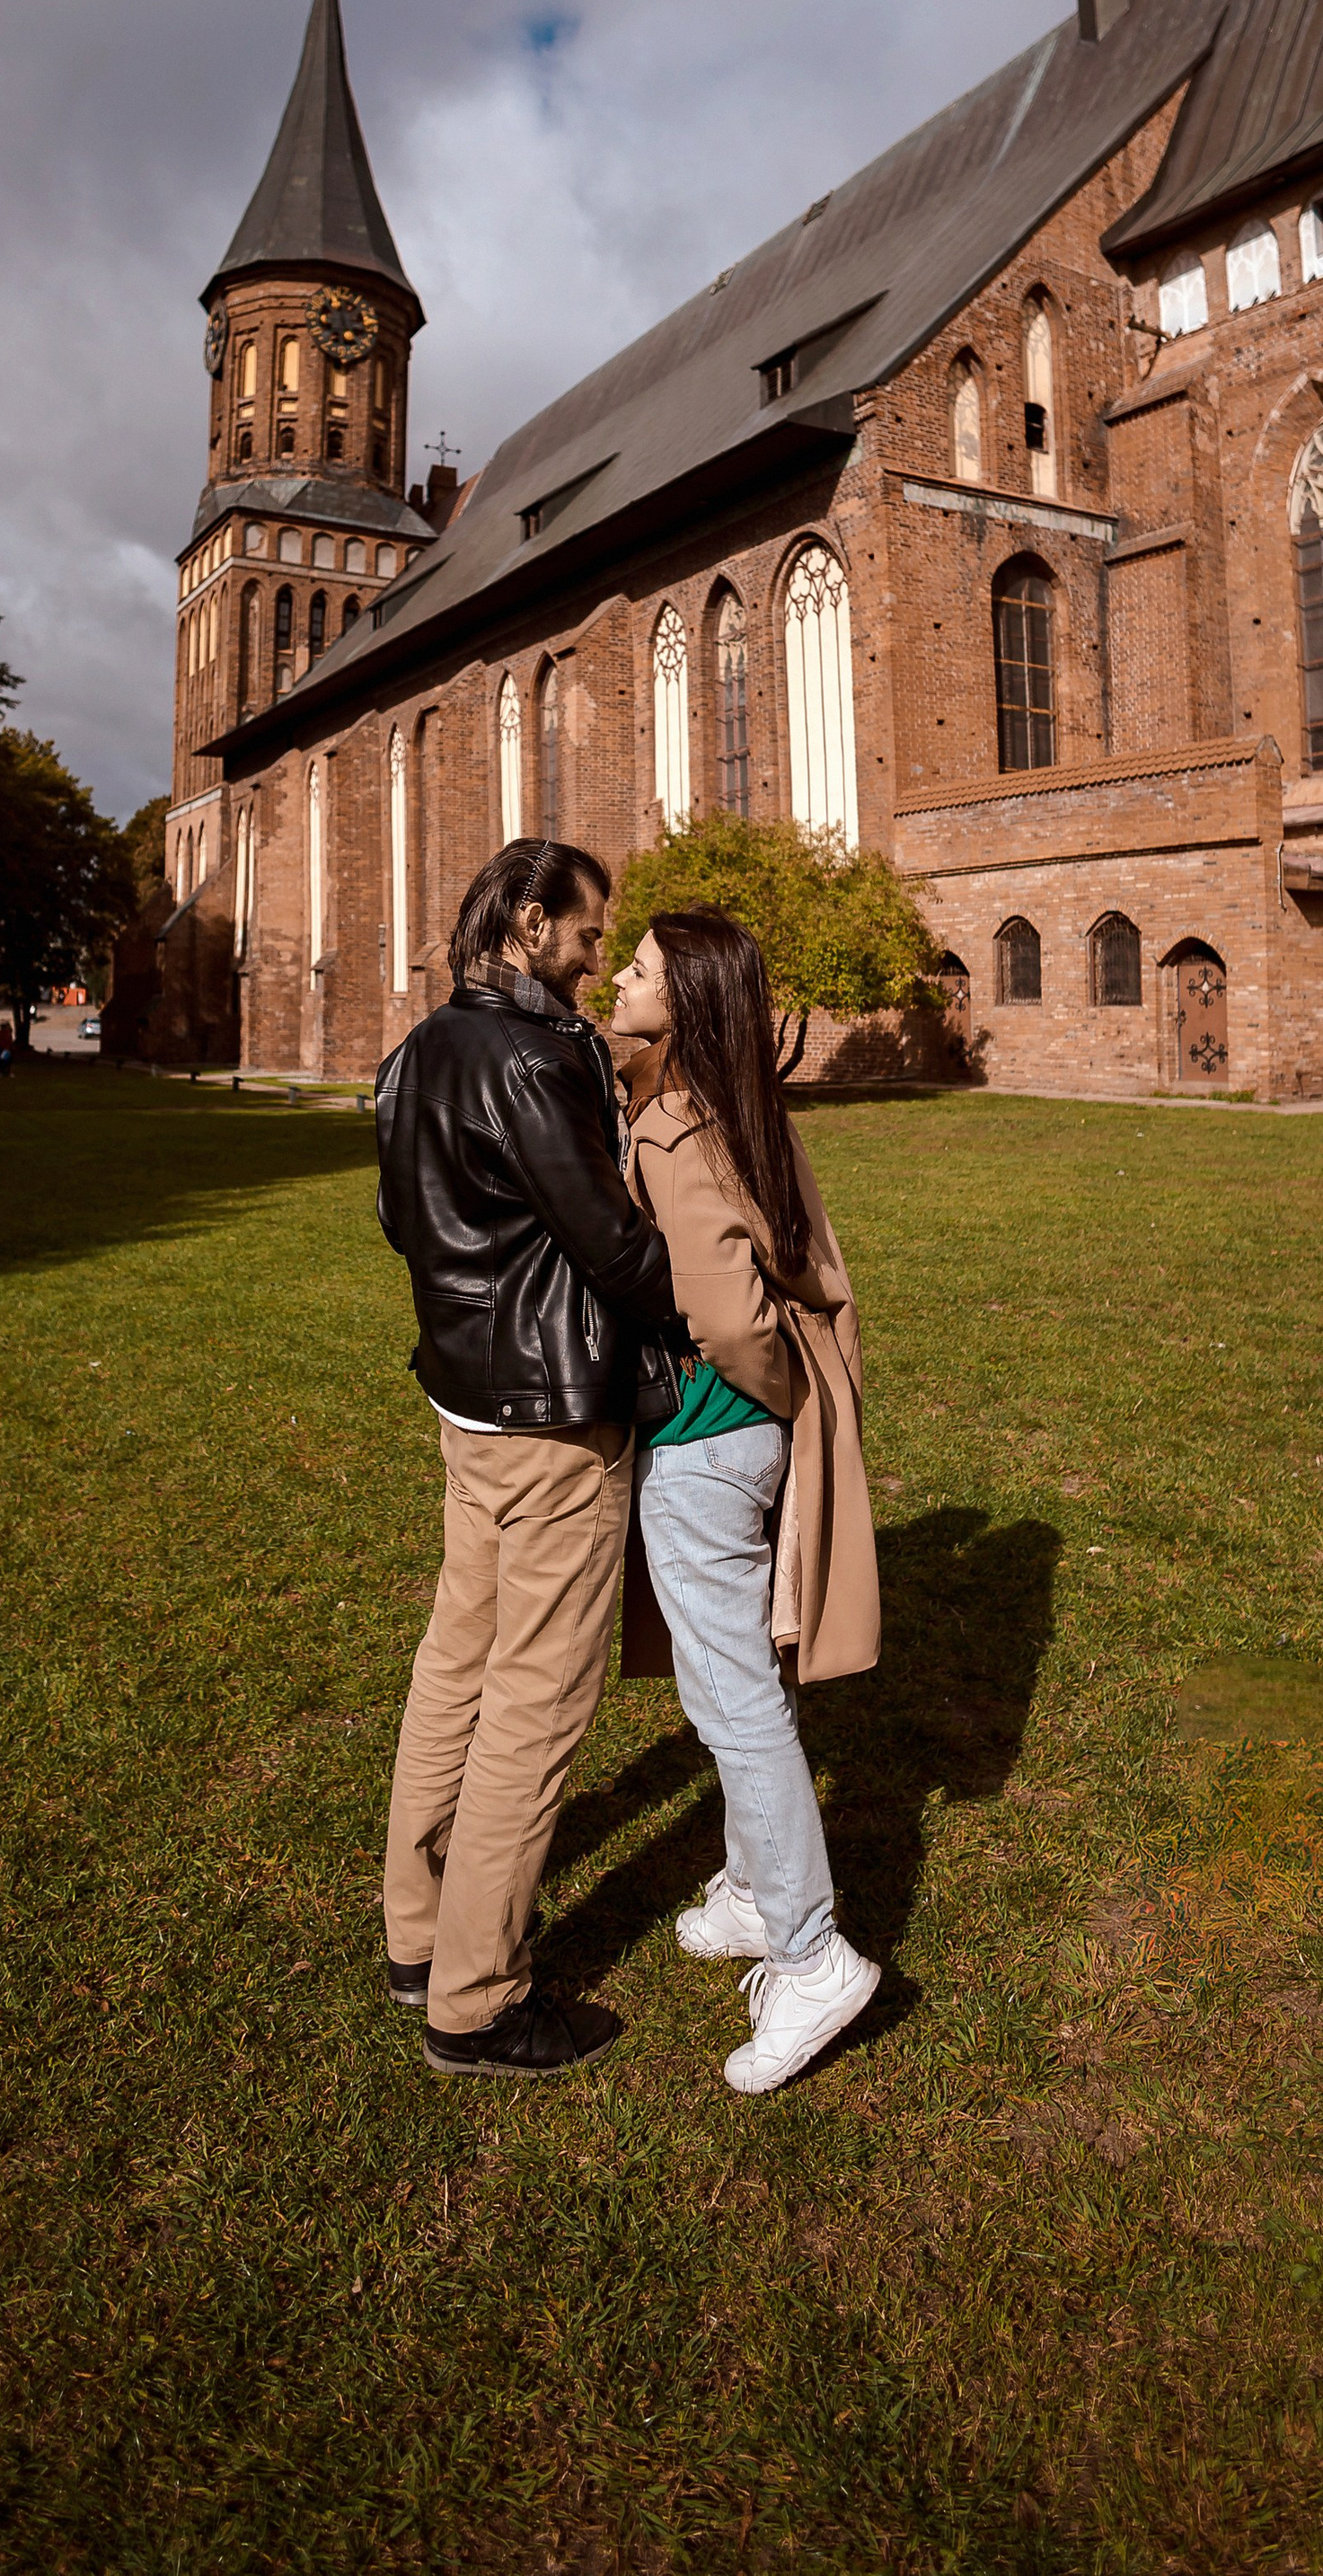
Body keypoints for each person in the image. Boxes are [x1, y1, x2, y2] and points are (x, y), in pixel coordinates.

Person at [376, 837, 685, 2082]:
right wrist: (716, 1285)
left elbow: (403, 1219)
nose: (599, 953)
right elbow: (615, 1248)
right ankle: (476, 1997)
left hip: (465, 1405)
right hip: (553, 1423)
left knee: (456, 1660)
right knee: (534, 1706)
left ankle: (415, 1933)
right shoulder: (528, 1055)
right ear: (524, 923)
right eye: (589, 932)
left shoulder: (419, 1049)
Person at [611, 907, 881, 2094]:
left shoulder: (673, 1122)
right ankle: (752, 1890)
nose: (616, 977)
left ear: (684, 1004)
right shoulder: (735, 1106)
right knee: (732, 1684)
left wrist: (760, 1398)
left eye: (638, 968)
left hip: (706, 1449)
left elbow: (727, 1316)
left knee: (734, 1705)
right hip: (743, 1444)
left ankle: (815, 1954)